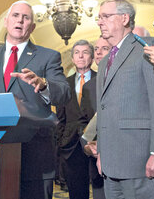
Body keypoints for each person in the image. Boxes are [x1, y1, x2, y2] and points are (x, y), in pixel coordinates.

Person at [0, 1, 70, 199]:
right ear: (6, 21)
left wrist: (44, 84)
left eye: (26, 17)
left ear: (32, 27)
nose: (20, 20)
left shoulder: (48, 56)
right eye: (16, 15)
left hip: (35, 153)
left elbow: (64, 93)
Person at [95, 0, 154, 199]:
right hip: (110, 165)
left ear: (124, 18)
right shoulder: (105, 60)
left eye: (105, 16)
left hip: (141, 162)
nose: (99, 22)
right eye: (99, 17)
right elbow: (104, 109)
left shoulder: (146, 46)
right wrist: (101, 154)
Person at [57, 40, 96, 199]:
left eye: (85, 52)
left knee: (102, 190)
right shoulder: (64, 84)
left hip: (96, 142)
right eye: (77, 53)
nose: (81, 56)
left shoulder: (102, 79)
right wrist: (61, 142)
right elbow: (60, 117)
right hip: (71, 145)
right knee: (77, 193)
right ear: (72, 59)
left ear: (92, 58)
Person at [81, 36, 110, 199]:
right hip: (96, 162)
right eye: (96, 48)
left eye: (104, 48)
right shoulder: (89, 87)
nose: (98, 52)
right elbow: (83, 122)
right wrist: (86, 145)